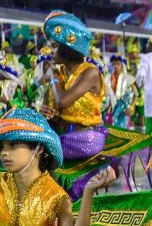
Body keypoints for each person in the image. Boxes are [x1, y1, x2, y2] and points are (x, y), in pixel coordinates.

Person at [40, 10, 107, 160]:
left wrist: (51, 76)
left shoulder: (90, 72)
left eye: (55, 46)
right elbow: (51, 107)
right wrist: (45, 112)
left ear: (68, 48)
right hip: (61, 135)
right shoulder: (60, 72)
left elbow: (62, 101)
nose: (50, 51)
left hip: (86, 140)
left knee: (35, 151)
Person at [106, 54, 138, 128]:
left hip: (123, 111)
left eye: (118, 64)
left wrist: (132, 106)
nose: (115, 66)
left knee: (122, 132)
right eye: (114, 64)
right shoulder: (108, 78)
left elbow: (136, 94)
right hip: (110, 110)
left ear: (122, 66)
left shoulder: (128, 79)